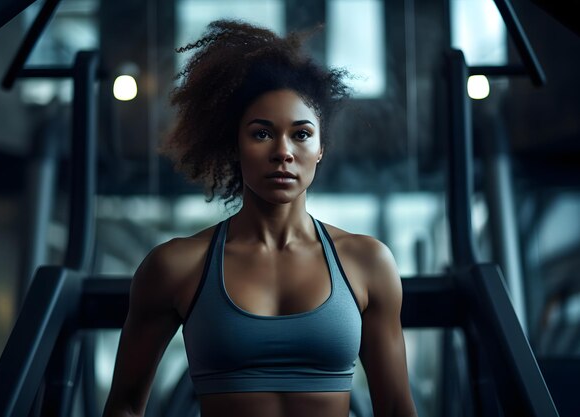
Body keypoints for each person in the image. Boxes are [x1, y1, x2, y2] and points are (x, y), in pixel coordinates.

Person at [103, 19, 417, 417]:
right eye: (262, 133)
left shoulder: (368, 263)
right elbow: (125, 407)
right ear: (234, 145)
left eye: (301, 134)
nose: (283, 151)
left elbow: (396, 409)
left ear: (321, 148)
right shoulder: (176, 266)